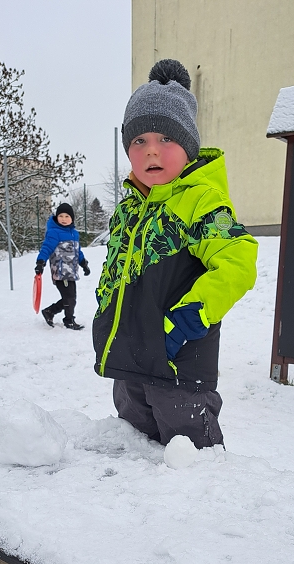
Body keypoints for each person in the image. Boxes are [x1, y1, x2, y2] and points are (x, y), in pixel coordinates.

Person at [92, 59, 257, 450]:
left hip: (178, 362)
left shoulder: (201, 202)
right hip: (130, 360)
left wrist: (192, 315)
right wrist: (105, 302)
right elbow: (116, 267)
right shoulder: (129, 209)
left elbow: (238, 259)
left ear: (188, 147)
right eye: (139, 141)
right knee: (136, 446)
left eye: (166, 138)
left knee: (189, 457)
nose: (152, 150)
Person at [35, 202, 90, 330]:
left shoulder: (74, 233)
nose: (64, 219)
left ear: (72, 218)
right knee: (70, 298)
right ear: (56, 217)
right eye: (61, 216)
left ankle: (50, 311)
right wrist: (40, 263)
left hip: (71, 271)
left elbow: (77, 251)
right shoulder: (54, 232)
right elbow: (46, 248)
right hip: (60, 271)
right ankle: (69, 321)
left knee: (70, 298)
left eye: (67, 216)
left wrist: (84, 264)